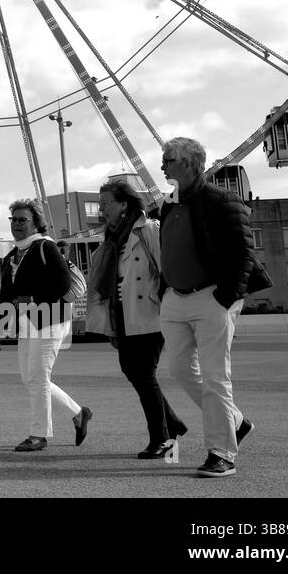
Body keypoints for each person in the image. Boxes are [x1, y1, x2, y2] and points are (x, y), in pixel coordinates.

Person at [159, 136, 254, 478]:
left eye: (168, 161)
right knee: (181, 369)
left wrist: (225, 297)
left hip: (211, 297)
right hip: (174, 298)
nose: (163, 167)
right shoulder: (169, 202)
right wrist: (164, 291)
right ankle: (236, 422)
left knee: (215, 377)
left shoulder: (220, 200)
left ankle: (222, 453)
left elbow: (244, 253)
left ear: (189, 163)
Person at [88, 178, 186, 458]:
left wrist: (167, 305)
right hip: (121, 313)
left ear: (124, 204)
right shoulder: (110, 236)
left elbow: (167, 269)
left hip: (148, 313)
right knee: (134, 373)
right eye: (101, 203)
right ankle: (173, 424)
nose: (102, 209)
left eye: (106, 203)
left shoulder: (149, 230)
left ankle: (161, 438)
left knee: (144, 376)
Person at [0, 198, 91, 451]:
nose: (16, 224)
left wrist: (33, 298)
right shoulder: (11, 256)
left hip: (51, 320)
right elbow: (6, 296)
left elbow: (62, 284)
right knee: (31, 378)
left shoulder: (45, 247)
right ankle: (79, 413)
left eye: (22, 219)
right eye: (13, 219)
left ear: (36, 223)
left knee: (38, 377)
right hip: (28, 324)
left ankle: (38, 436)